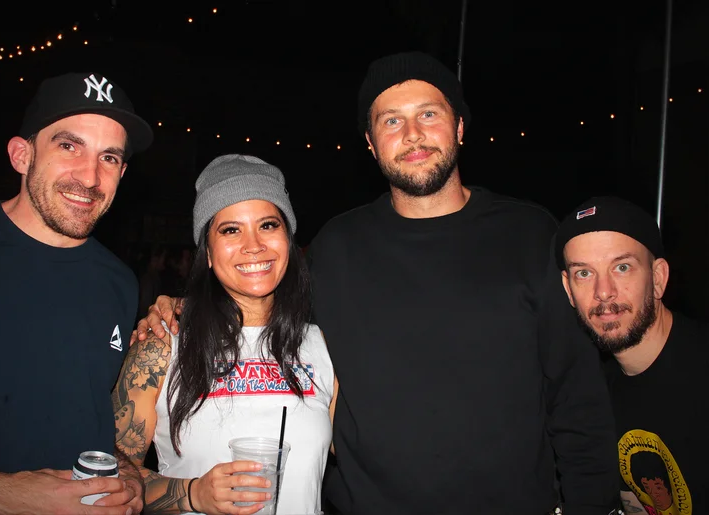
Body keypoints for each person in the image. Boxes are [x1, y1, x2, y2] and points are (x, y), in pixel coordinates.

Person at [137, 52, 620, 514]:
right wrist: (184, 305)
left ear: (459, 126)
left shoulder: (531, 235)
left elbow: (577, 401)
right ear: (371, 142)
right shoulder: (338, 246)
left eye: (428, 114)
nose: (412, 134)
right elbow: (262, 305)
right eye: (391, 120)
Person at [0, 72, 154, 515]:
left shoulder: (120, 280)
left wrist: (127, 474)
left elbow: (93, 410)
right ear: (22, 155)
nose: (90, 177)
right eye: (69, 145)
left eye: (108, 157)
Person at [113, 155, 335, 515]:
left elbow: (368, 461)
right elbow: (110, 476)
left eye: (268, 225)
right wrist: (193, 494)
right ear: (209, 254)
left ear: (288, 242)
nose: (253, 246)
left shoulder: (320, 346)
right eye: (231, 230)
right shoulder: (162, 344)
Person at [554, 196, 708, 515]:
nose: (604, 291)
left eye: (622, 267)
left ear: (658, 278)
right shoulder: (590, 394)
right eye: (584, 273)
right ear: (568, 290)